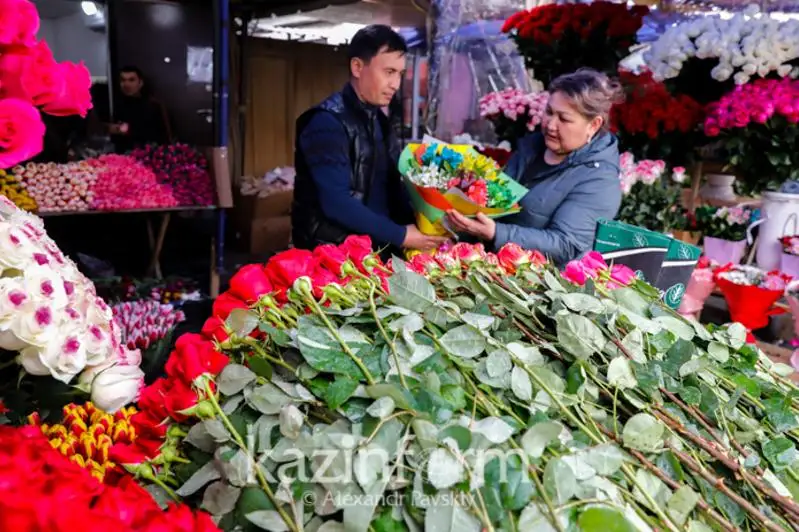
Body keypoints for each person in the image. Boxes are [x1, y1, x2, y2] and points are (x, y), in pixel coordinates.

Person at [291, 25, 446, 254]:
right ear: (357, 67)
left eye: (400, 74)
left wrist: (427, 218)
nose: (395, 84)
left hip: (373, 252)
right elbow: (336, 203)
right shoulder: (326, 122)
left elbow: (390, 187)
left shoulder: (378, 120)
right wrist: (402, 235)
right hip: (333, 257)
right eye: (389, 71)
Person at [447, 68, 623, 266]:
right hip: (489, 267)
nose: (550, 124)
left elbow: (566, 245)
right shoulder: (531, 147)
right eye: (549, 112)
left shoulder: (600, 180)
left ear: (593, 125)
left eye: (564, 119)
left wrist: (496, 233)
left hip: (536, 287)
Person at [109, 66, 172, 153]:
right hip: (123, 158)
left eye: (131, 80)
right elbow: (114, 137)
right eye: (123, 80)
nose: (126, 84)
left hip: (148, 156)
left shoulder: (154, 106)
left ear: (140, 83)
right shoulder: (118, 105)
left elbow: (165, 137)